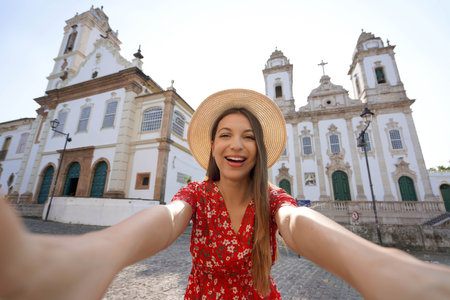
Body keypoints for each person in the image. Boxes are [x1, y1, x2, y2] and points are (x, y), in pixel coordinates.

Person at [0, 89, 449, 300]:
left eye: (248, 136)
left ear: (260, 147)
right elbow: (167, 218)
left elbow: (299, 224)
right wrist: (94, 255)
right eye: (226, 135)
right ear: (213, 145)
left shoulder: (274, 199)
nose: (236, 145)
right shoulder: (196, 194)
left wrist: (381, 267)